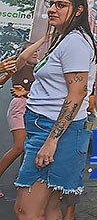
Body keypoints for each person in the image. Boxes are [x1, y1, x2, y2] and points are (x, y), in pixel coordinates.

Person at [14, 0, 97, 220]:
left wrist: (51, 141)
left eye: (61, 5)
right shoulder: (64, 39)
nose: (52, 9)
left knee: (26, 212)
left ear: (79, 10)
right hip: (43, 127)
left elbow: (77, 93)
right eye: (51, 4)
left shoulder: (75, 43)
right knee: (48, 210)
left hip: (53, 131)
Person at [0, 51, 35, 199]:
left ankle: (22, 181)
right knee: (20, 146)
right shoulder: (21, 65)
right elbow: (22, 58)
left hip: (33, 108)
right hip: (19, 107)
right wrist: (44, 39)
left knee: (26, 147)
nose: (36, 54)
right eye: (33, 52)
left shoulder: (39, 68)